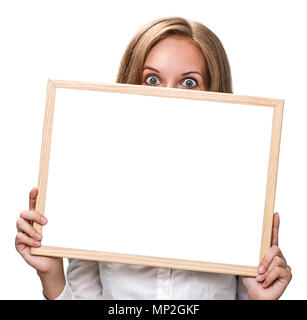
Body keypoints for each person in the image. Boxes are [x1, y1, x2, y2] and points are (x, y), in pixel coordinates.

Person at [15, 17, 292, 300]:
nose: (169, 96)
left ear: (214, 91)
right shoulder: (95, 184)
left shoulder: (242, 189)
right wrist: (51, 276)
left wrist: (261, 299)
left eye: (188, 82)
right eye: (152, 79)